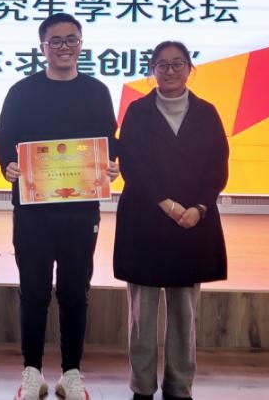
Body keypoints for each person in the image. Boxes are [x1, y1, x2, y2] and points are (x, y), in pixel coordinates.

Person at [0, 13, 119, 400]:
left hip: (81, 211)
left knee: (75, 291)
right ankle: (32, 371)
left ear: (81, 44)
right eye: (56, 41)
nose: (65, 47)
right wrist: (7, 164)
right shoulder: (22, 91)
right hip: (33, 210)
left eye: (72, 40)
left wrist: (111, 166)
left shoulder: (96, 91)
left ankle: (71, 373)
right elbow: (3, 139)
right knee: (33, 291)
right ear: (42, 47)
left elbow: (108, 142)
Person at [113, 41, 229, 400]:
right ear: (152, 71)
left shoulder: (207, 112)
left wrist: (199, 207)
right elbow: (132, 164)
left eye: (178, 63)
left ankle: (180, 387)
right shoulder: (138, 111)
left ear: (190, 68)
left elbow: (218, 166)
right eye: (162, 65)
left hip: (192, 223)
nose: (170, 71)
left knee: (184, 315)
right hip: (145, 220)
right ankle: (142, 387)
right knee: (142, 315)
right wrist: (165, 202)